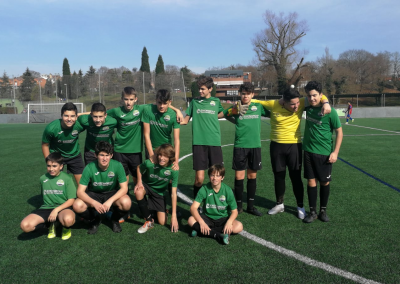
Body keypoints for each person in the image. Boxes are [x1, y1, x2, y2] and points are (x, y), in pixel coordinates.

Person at [251, 88, 331, 220]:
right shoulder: (273, 104)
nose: (297, 106)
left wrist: (326, 102)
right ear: (284, 102)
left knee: (295, 177)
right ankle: (279, 204)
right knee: (279, 176)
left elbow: (318, 96)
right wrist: (238, 104)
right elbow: (255, 101)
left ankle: (300, 206)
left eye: (297, 103)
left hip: (294, 146)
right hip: (276, 146)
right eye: (293, 104)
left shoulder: (300, 102)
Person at [222, 82, 269, 216]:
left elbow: (273, 113)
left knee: (252, 176)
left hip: (255, 146)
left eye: (248, 94)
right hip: (240, 146)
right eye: (243, 94)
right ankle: (238, 206)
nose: (245, 96)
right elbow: (224, 114)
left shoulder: (258, 106)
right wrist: (233, 114)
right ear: (240, 94)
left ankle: (251, 206)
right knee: (239, 176)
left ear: (252, 95)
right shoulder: (236, 107)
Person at [302, 81, 343, 223]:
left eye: (314, 95)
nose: (312, 98)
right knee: (311, 181)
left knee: (324, 183)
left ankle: (323, 211)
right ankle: (312, 212)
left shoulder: (330, 112)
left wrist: (335, 152)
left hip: (324, 153)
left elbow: (339, 132)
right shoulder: (307, 107)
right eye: (309, 95)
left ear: (321, 94)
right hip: (308, 151)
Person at [72, 141, 131, 234]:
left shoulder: (117, 165)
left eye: (107, 155)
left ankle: (114, 220)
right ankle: (95, 219)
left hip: (111, 192)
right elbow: (80, 192)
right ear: (95, 155)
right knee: (77, 205)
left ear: (111, 155)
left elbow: (124, 188)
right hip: (94, 194)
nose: (104, 158)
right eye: (101, 155)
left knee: (126, 202)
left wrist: (110, 201)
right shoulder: (89, 167)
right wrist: (94, 203)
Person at [181, 76, 225, 199]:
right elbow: (185, 120)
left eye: (203, 89)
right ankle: (197, 204)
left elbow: (221, 113)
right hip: (199, 143)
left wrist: (233, 113)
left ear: (210, 89)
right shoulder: (195, 102)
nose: (200, 91)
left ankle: (215, 202)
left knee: (216, 176)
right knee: (199, 179)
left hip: (214, 142)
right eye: (199, 89)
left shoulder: (216, 102)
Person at [20, 152, 76, 240]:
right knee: (25, 226)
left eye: (54, 166)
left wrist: (56, 210)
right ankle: (50, 225)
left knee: (68, 220)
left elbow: (71, 200)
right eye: (48, 166)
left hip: (62, 208)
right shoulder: (43, 178)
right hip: (46, 208)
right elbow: (44, 195)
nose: (51, 169)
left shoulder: (67, 178)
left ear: (61, 167)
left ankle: (65, 229)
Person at [188, 164, 243, 245]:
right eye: (212, 175)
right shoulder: (204, 189)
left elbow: (235, 211)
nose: (214, 178)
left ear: (222, 177)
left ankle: (200, 230)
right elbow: (193, 208)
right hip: (207, 218)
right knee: (190, 219)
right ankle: (217, 235)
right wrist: (202, 222)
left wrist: (229, 222)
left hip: (223, 219)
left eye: (218, 176)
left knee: (239, 226)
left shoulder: (228, 190)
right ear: (209, 176)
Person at [134, 144, 179, 234]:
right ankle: (149, 220)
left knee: (162, 222)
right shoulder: (151, 163)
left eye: (165, 156)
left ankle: (162, 210)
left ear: (170, 157)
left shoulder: (174, 170)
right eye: (160, 155)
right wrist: (139, 182)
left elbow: (174, 193)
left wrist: (174, 216)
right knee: (138, 192)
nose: (161, 158)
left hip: (159, 192)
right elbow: (139, 168)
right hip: (147, 186)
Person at [42, 102, 84, 184]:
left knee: (82, 185)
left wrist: (80, 114)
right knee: (56, 183)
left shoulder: (80, 125)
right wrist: (50, 162)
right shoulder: (51, 128)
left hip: (74, 155)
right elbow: (45, 145)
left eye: (72, 116)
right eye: (66, 115)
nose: (69, 119)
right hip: (57, 156)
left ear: (76, 116)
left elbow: (94, 113)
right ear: (61, 116)